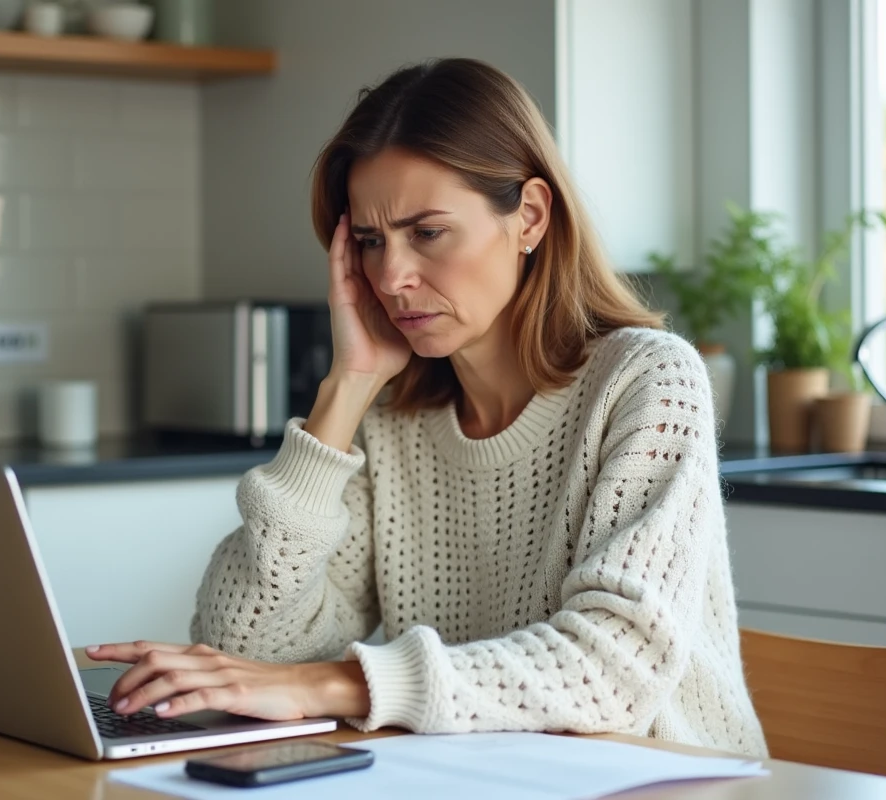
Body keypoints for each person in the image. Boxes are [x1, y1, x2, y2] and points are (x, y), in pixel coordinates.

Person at [87, 58, 768, 757]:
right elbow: (242, 645)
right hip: (481, 777)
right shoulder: (393, 422)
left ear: (529, 216)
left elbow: (611, 670)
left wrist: (333, 685)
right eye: (372, 243)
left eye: (428, 233)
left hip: (667, 779)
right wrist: (349, 385)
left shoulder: (647, 380)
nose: (391, 277)